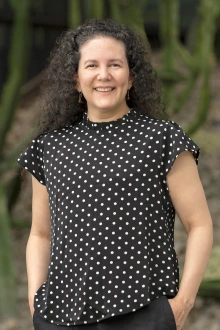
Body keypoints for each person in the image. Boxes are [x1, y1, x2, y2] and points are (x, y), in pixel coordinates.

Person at [17, 19, 213, 330]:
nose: (104, 75)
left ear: (132, 76)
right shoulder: (49, 147)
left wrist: (181, 305)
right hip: (61, 316)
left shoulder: (162, 139)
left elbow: (200, 224)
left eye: (115, 65)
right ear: (75, 77)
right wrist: (35, 301)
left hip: (144, 314)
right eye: (92, 65)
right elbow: (40, 234)